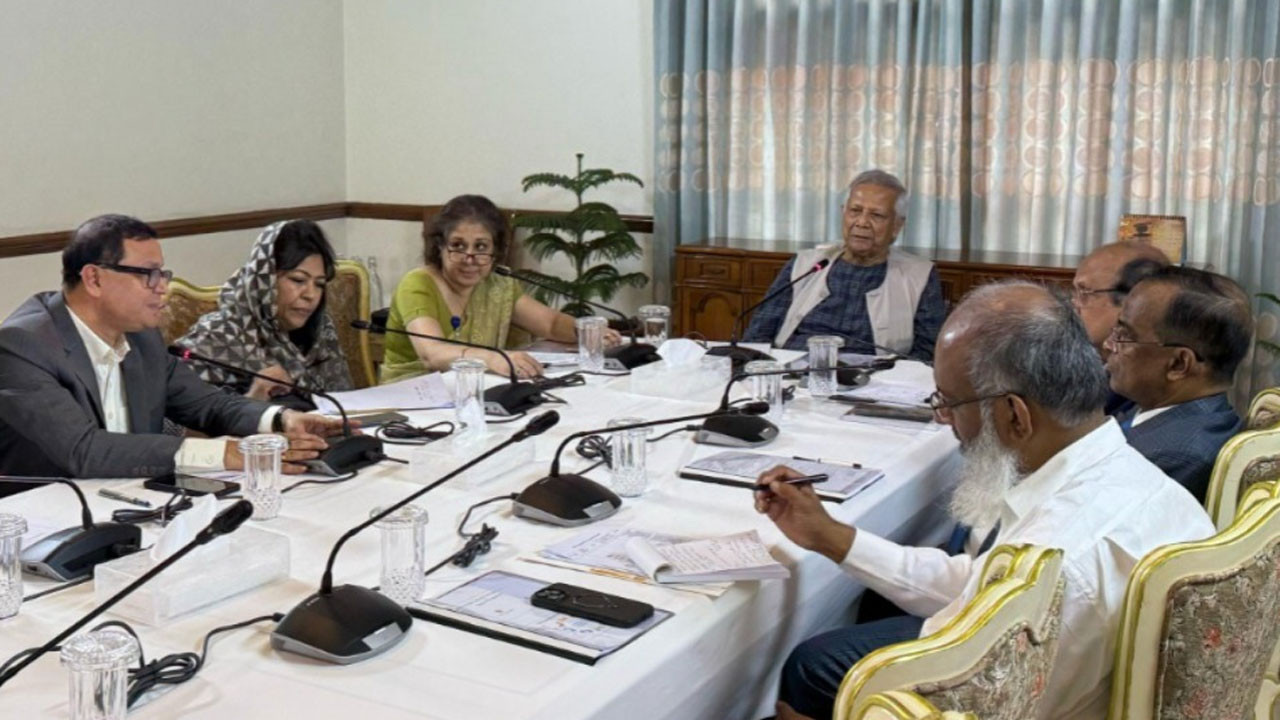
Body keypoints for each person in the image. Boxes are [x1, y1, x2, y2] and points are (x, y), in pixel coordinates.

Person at [755, 282, 1213, 720]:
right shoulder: (1129, 479)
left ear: (1014, 414)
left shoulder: (1053, 565)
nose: (943, 419)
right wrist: (831, 537)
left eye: (950, 402)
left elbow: (944, 686)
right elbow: (977, 590)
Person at [0, 214, 347, 495]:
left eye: (163, 274)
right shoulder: (22, 345)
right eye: (148, 275)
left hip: (132, 498)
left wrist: (281, 419)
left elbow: (208, 404)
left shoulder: (142, 338)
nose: (163, 287)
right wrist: (227, 453)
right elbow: (83, 450)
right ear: (94, 279)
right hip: (41, 520)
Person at [380, 194, 619, 383]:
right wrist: (493, 359)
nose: (470, 258)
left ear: (495, 251)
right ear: (439, 247)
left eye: (481, 247)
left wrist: (587, 332)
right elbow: (431, 354)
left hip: (477, 390)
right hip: (411, 397)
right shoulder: (417, 284)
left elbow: (550, 324)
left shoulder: (498, 286)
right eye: (458, 246)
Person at [741, 170, 945, 359]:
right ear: (843, 213)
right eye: (855, 210)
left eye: (876, 215)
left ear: (897, 226)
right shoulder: (805, 265)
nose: (862, 222)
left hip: (872, 378)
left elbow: (927, 353)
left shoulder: (919, 276)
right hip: (792, 373)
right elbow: (758, 334)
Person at [1104, 266, 1250, 503]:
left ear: (1179, 364)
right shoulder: (1162, 410)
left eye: (1124, 336)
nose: (1108, 345)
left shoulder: (1173, 457)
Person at [175, 220, 352, 406]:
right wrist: (255, 396)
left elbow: (345, 403)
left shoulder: (320, 331)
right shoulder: (214, 339)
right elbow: (185, 419)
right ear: (264, 280)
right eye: (298, 280)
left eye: (319, 284)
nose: (311, 295)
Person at [1070, 241, 1170, 416]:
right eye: (1075, 292)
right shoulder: (1081, 358)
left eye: (1084, 293)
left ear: (1135, 300)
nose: (1074, 303)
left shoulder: (1140, 377)